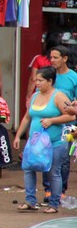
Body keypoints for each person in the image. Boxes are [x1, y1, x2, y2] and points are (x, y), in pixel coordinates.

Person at [13, 66, 72, 214]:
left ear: (50, 81)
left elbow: (71, 116)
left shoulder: (59, 96)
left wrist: (52, 120)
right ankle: (30, 201)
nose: (37, 83)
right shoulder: (35, 96)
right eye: (36, 80)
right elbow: (27, 117)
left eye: (40, 80)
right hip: (35, 143)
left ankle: (54, 204)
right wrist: (18, 136)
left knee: (53, 172)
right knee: (28, 168)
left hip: (55, 142)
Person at [47, 45, 77, 202]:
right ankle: (48, 189)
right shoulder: (49, 75)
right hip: (49, 122)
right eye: (50, 57)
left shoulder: (74, 77)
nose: (52, 60)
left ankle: (61, 190)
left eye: (55, 57)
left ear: (65, 58)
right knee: (46, 154)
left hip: (70, 124)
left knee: (65, 157)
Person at [25, 32, 62, 108]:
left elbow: (33, 79)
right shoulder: (61, 61)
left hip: (40, 94)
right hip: (58, 94)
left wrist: (28, 97)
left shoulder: (38, 59)